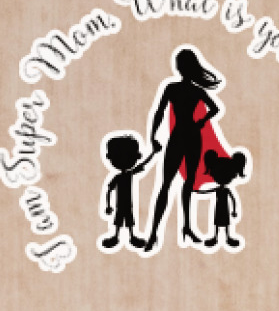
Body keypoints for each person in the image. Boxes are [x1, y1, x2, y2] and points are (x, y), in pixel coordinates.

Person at [143, 48, 224, 251]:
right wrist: (201, 122)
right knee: (178, 184)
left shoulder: (174, 88)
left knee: (174, 184)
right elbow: (215, 109)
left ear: (181, 67)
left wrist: (153, 137)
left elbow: (159, 113)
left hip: (181, 137)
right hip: (187, 137)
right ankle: (160, 232)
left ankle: (169, 231)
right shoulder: (192, 90)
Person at [100, 132, 157, 250]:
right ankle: (117, 237)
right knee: (119, 220)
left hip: (127, 204)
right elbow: (109, 190)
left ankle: (130, 237)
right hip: (120, 205)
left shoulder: (128, 174)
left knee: (129, 220)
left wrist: (153, 153)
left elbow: (144, 164)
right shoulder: (119, 177)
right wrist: (108, 205)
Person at [196, 149, 249, 250]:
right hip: (219, 208)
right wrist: (199, 192)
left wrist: (234, 211)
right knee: (217, 223)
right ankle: (215, 237)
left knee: (226, 223)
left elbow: (233, 199)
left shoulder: (226, 190)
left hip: (225, 208)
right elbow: (209, 191)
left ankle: (227, 237)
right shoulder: (219, 189)